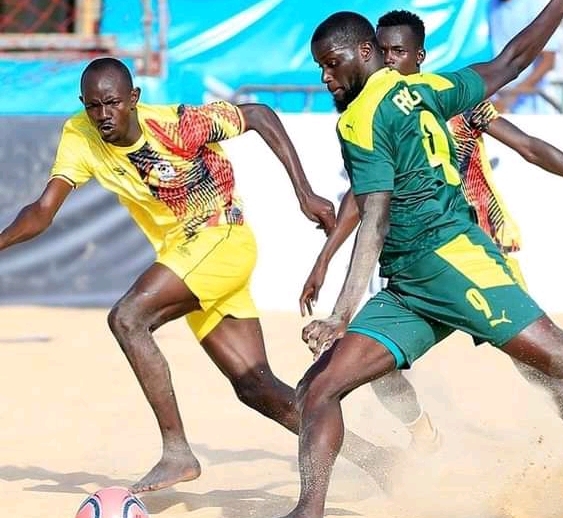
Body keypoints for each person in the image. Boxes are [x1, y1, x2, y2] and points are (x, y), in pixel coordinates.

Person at [285, 6, 563, 518]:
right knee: (316, 390)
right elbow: (510, 61)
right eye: (320, 67)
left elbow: (374, 216)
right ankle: (310, 509)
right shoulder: (428, 88)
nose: (325, 77)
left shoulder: (360, 119)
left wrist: (340, 313)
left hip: (452, 260)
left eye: (332, 64)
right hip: (409, 283)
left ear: (367, 53)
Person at [0, 57, 395, 494]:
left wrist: (304, 193)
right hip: (187, 256)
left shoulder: (177, 124)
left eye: (112, 103)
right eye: (93, 106)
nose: (103, 115)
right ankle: (377, 458)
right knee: (255, 386)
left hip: (220, 238)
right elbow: (41, 211)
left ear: (133, 100)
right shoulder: (80, 134)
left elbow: (260, 115)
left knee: (128, 319)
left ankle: (177, 453)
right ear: (82, 104)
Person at [300, 8, 563, 444]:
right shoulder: (380, 113)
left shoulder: (454, 99)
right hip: (417, 257)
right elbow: (363, 200)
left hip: (476, 244)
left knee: (541, 365)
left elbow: (530, 146)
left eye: (398, 51)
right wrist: (325, 258)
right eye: (385, 51)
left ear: (419, 55)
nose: (390, 60)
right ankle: (421, 431)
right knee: (375, 364)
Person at [489, 0, 561, 113]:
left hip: (530, 107)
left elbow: (548, 61)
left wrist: (512, 97)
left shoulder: (534, 5)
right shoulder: (492, 5)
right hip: (496, 102)